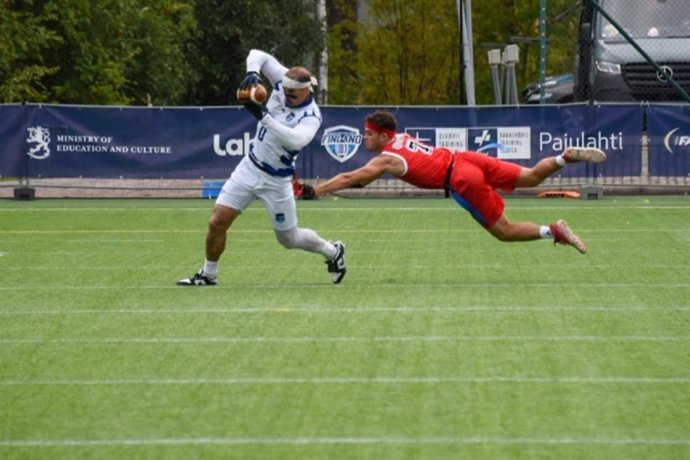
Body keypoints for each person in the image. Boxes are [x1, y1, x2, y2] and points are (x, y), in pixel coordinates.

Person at [300, 110, 607, 254]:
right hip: (467, 158)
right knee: (531, 175)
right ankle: (565, 157)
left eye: (368, 134)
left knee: (505, 231)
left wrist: (317, 190)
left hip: (460, 178)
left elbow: (354, 178)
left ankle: (553, 230)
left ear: (384, 136)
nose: (365, 138)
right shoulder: (402, 139)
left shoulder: (388, 157)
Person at [178, 49, 346, 286]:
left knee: (289, 239)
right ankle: (208, 274)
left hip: (277, 180)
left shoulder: (311, 115)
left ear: (307, 89)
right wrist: (253, 74)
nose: (287, 96)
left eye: (293, 94)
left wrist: (263, 116)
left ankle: (333, 252)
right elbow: (257, 54)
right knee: (217, 221)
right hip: (249, 167)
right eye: (285, 91)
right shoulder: (283, 82)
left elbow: (295, 140)